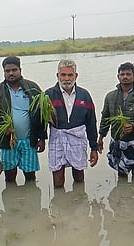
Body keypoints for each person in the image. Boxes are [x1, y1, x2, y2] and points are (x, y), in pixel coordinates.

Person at [0, 56, 47, 183]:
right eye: (7, 71)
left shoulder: (32, 88)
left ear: (20, 70)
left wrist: (42, 138)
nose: (11, 73)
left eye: (14, 70)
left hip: (30, 141)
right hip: (8, 142)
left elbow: (43, 114)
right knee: (10, 175)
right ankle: (11, 199)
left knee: (30, 175)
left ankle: (31, 199)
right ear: (4, 72)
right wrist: (2, 127)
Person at [45, 59, 99, 188]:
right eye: (63, 75)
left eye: (70, 75)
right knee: (57, 179)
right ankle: (59, 204)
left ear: (76, 76)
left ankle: (79, 201)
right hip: (57, 138)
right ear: (57, 76)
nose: (66, 79)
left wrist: (94, 148)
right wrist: (41, 139)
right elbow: (42, 121)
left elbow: (91, 123)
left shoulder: (84, 95)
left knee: (79, 177)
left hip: (78, 138)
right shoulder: (48, 95)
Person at [98, 62, 134, 179]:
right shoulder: (110, 96)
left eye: (128, 74)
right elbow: (105, 118)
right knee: (121, 171)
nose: (125, 76)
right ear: (118, 77)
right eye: (122, 74)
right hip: (117, 140)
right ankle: (122, 195)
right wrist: (101, 137)